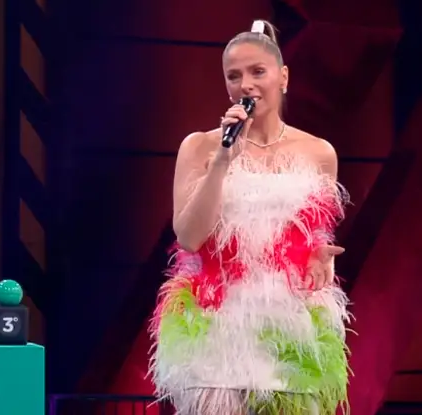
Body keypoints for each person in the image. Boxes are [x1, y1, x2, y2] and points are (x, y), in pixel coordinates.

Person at [149, 19, 351, 415]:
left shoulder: (319, 153)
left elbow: (316, 235)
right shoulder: (200, 147)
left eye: (258, 71)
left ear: (283, 77)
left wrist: (319, 257)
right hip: (216, 330)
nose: (246, 85)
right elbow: (189, 236)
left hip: (290, 333)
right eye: (234, 76)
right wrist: (224, 159)